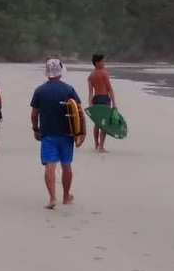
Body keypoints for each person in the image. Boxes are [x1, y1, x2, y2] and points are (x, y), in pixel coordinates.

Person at [30, 58, 86, 209]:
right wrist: (82, 133)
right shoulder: (68, 89)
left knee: (50, 165)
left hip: (48, 134)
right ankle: (66, 196)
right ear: (60, 73)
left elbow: (34, 114)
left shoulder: (40, 90)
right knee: (66, 165)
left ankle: (53, 198)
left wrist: (36, 129)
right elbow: (79, 112)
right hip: (67, 135)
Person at [88, 53, 117, 153]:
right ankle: (101, 147)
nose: (104, 63)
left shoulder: (91, 76)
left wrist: (90, 104)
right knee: (104, 124)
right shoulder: (104, 73)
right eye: (102, 61)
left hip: (96, 99)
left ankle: (97, 144)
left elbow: (90, 92)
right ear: (97, 63)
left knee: (97, 123)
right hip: (104, 99)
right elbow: (110, 89)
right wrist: (114, 103)